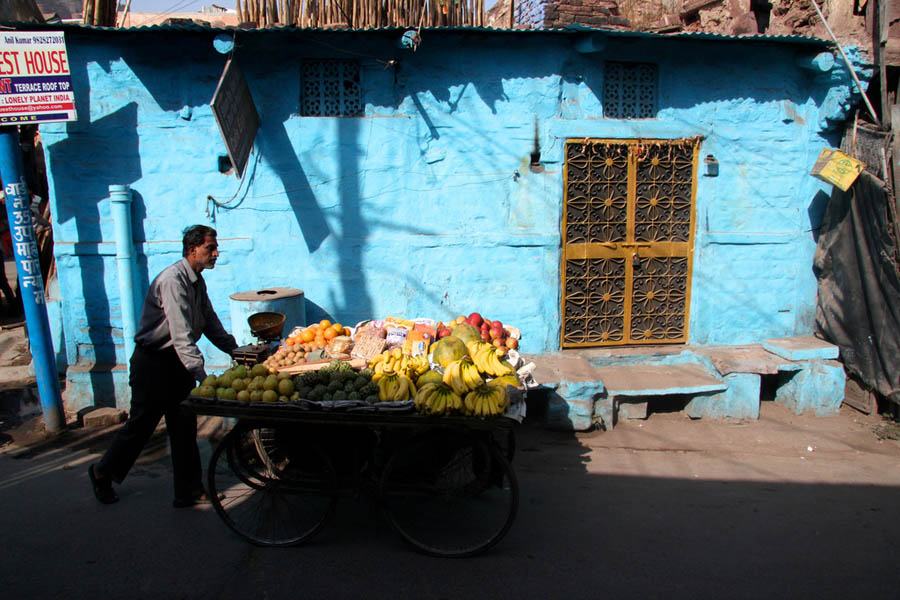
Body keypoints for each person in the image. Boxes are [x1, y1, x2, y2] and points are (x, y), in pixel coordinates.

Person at [89, 225, 237, 507]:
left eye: (215, 248)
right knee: (141, 426)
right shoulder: (172, 281)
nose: (216, 253)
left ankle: (188, 491)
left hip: (177, 364)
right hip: (153, 363)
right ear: (192, 249)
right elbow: (181, 335)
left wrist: (235, 349)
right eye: (210, 248)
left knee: (184, 426)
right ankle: (101, 472)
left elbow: (209, 322)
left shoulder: (197, 281)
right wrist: (203, 376)